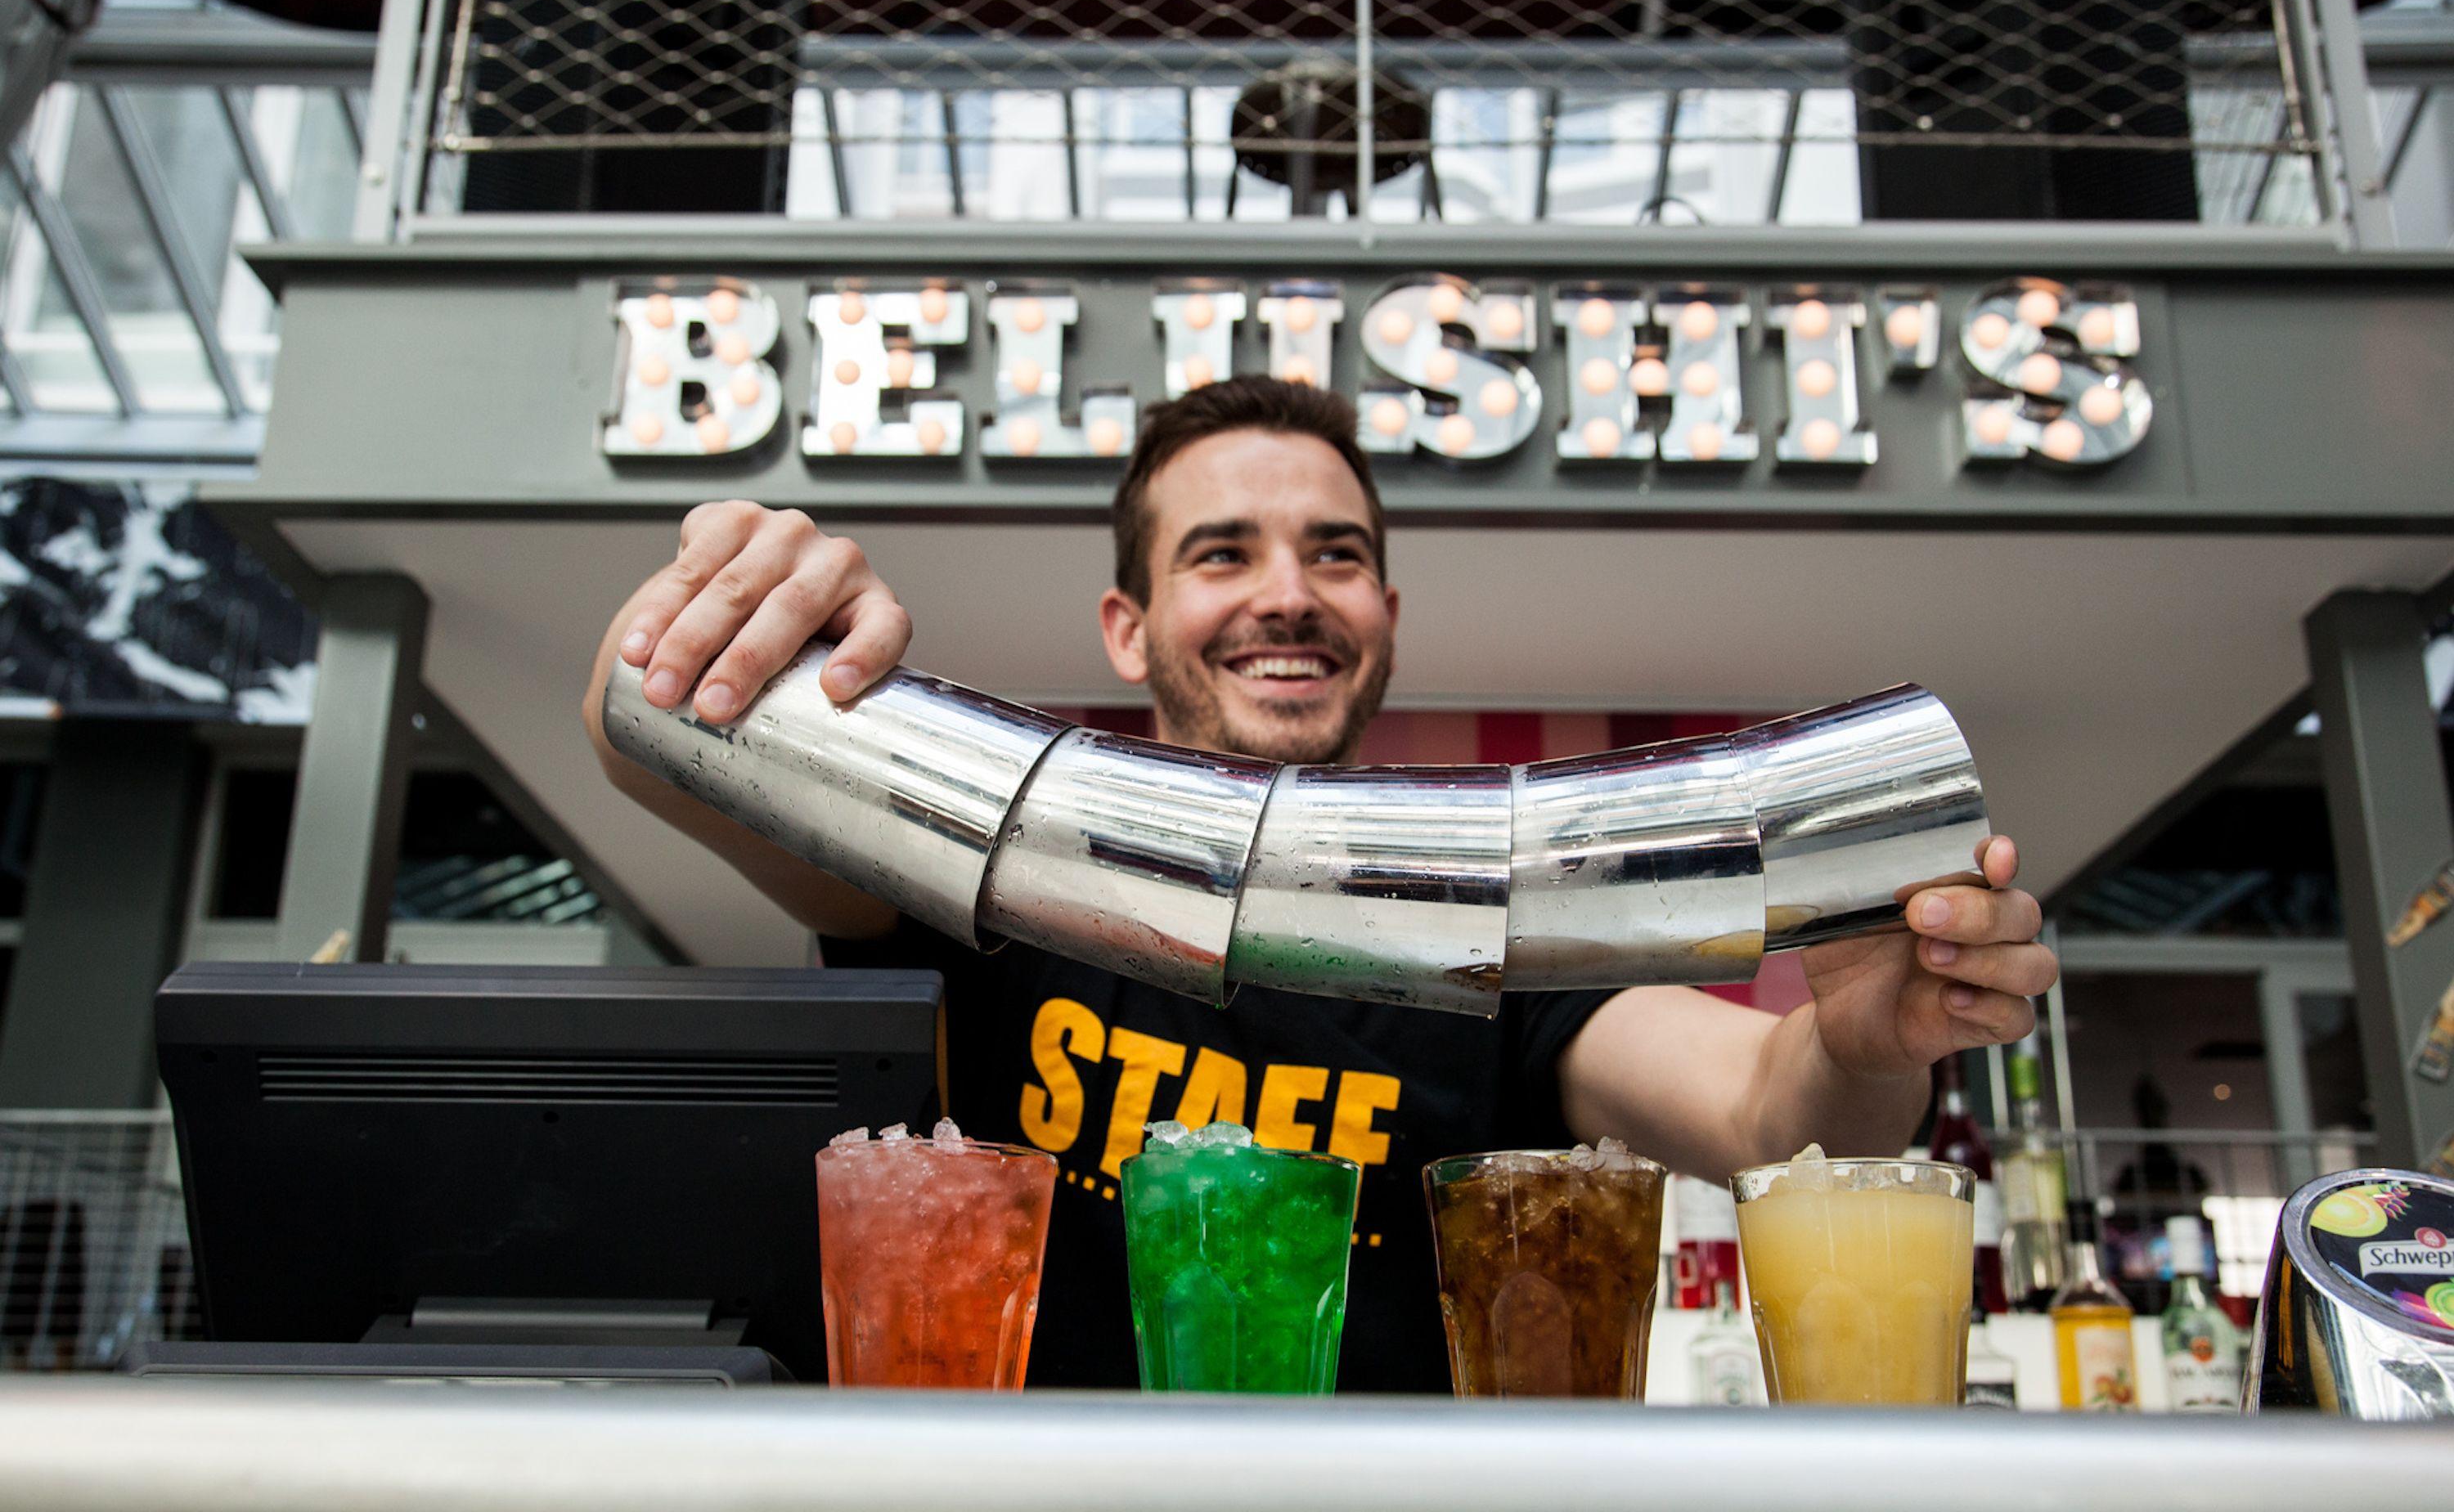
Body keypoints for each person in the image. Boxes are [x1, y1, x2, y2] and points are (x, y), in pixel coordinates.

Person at [584, 375, 2056, 1390]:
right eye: (1223, 554)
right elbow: (650, 746)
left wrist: (1863, 1038)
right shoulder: (969, 873)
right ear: (1128, 622)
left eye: (1335, 556)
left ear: (1386, 619)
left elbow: (1767, 1115)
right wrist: (711, 616)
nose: (1288, 593)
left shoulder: (1506, 939)